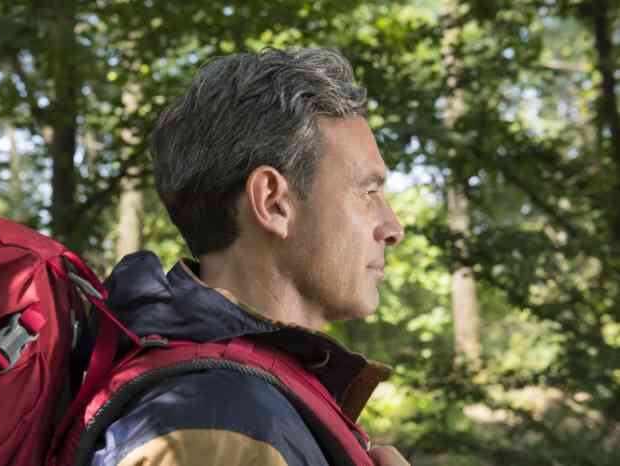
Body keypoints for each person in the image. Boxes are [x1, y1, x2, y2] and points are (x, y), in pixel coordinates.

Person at [90, 47, 407, 466]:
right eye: (368, 192)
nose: (393, 228)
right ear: (274, 202)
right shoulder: (217, 425)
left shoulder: (240, 400)